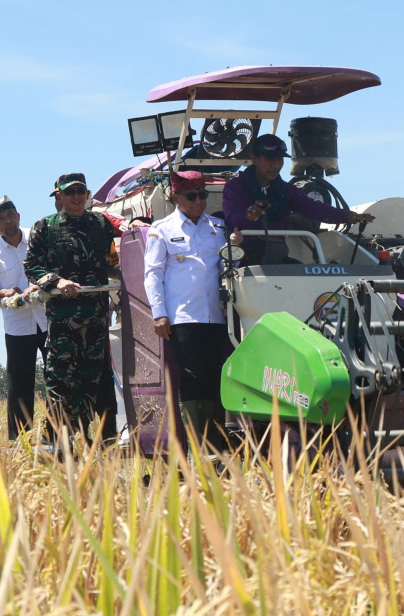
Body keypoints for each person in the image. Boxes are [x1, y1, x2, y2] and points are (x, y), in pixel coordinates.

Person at [144, 171, 240, 449]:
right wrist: (159, 313)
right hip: (183, 316)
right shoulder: (162, 229)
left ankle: (216, 443)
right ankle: (197, 445)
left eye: (203, 195)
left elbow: (227, 267)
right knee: (192, 377)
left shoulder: (219, 228)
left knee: (215, 375)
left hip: (217, 315)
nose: (199, 201)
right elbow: (152, 274)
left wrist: (235, 247)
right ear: (176, 197)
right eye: (192, 196)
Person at [24, 173, 118, 447]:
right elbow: (31, 266)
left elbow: (110, 261)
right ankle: (55, 438)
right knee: (61, 379)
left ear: (87, 194)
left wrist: (124, 272)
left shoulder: (101, 224)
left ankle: (83, 434)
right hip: (63, 319)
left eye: (81, 191)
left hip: (96, 316)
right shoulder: (46, 226)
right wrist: (57, 280)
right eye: (70, 192)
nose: (77, 196)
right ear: (59, 196)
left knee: (91, 379)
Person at [221, 133, 374, 264]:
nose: (275, 165)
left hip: (278, 256)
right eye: (269, 159)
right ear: (254, 158)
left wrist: (349, 216)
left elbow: (314, 209)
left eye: (279, 160)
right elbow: (233, 221)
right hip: (244, 259)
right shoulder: (235, 187)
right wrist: (250, 215)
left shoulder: (287, 190)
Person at [0, 196, 48, 440]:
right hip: (17, 325)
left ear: (18, 215)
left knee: (57, 379)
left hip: (49, 319)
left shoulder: (38, 236)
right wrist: (5, 291)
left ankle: (58, 434)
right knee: (19, 383)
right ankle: (20, 439)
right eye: (1, 219)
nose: (8, 221)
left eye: (11, 215)